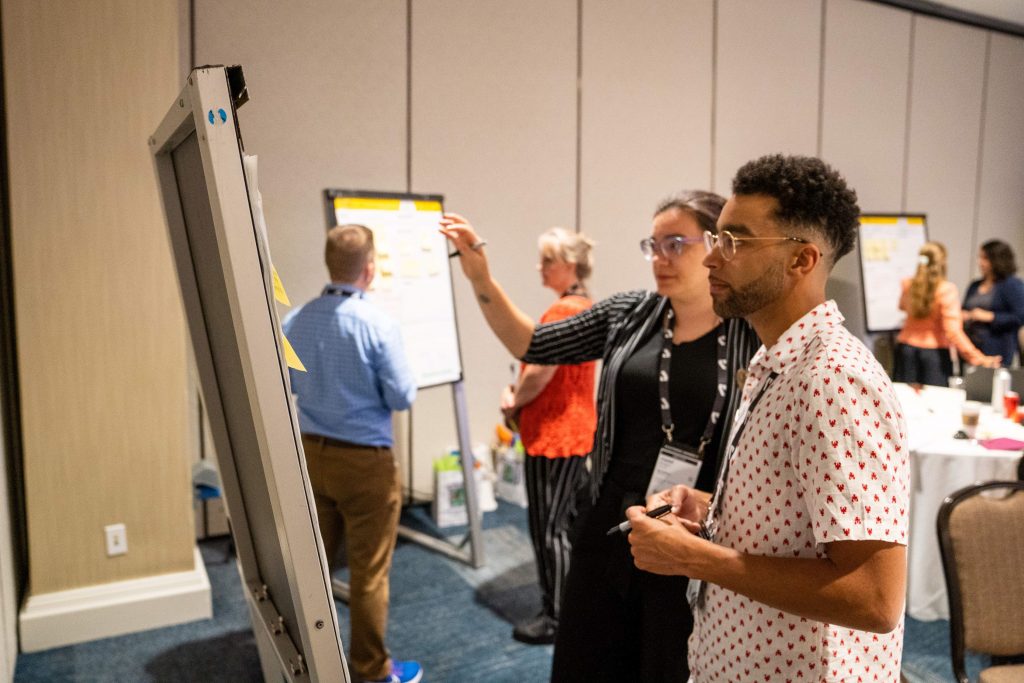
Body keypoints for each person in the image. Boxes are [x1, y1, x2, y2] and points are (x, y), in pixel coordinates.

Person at [441, 193, 760, 682]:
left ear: (716, 245)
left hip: (692, 528)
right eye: (652, 245)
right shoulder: (630, 313)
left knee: (665, 660)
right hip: (610, 513)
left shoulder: (751, 333)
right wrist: (480, 276)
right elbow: (531, 343)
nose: (659, 258)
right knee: (586, 657)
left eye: (675, 243)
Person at [627, 154, 909, 682]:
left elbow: (874, 597)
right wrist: (712, 511)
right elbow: (799, 520)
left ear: (802, 260)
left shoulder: (832, 380)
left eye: (733, 242)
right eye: (716, 239)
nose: (712, 259)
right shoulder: (774, 360)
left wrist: (695, 558)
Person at [282, 224, 422, 683]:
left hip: (310, 456)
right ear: (369, 268)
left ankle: (306, 660)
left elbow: (290, 386)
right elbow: (401, 397)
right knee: (368, 573)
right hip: (365, 464)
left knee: (313, 566)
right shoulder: (378, 324)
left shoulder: (295, 320)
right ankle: (370, 670)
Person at [500, 227, 598, 645]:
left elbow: (540, 371)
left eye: (547, 261)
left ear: (569, 265)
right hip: (576, 431)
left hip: (553, 433)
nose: (540, 268)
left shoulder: (562, 312)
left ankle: (558, 618)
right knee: (567, 526)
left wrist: (513, 402)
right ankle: (573, 609)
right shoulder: (587, 305)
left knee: (549, 529)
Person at [893, 241, 1000, 386]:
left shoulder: (908, 284)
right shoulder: (946, 290)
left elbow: (902, 306)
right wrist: (979, 359)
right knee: (934, 405)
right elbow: (953, 332)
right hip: (934, 357)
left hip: (905, 352)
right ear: (942, 263)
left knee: (903, 402)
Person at [962, 239, 1024, 367]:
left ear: (997, 260)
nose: (980, 262)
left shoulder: (1012, 285)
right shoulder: (975, 285)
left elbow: (1019, 317)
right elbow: (964, 308)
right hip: (972, 345)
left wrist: (990, 316)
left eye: (985, 258)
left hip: (997, 347)